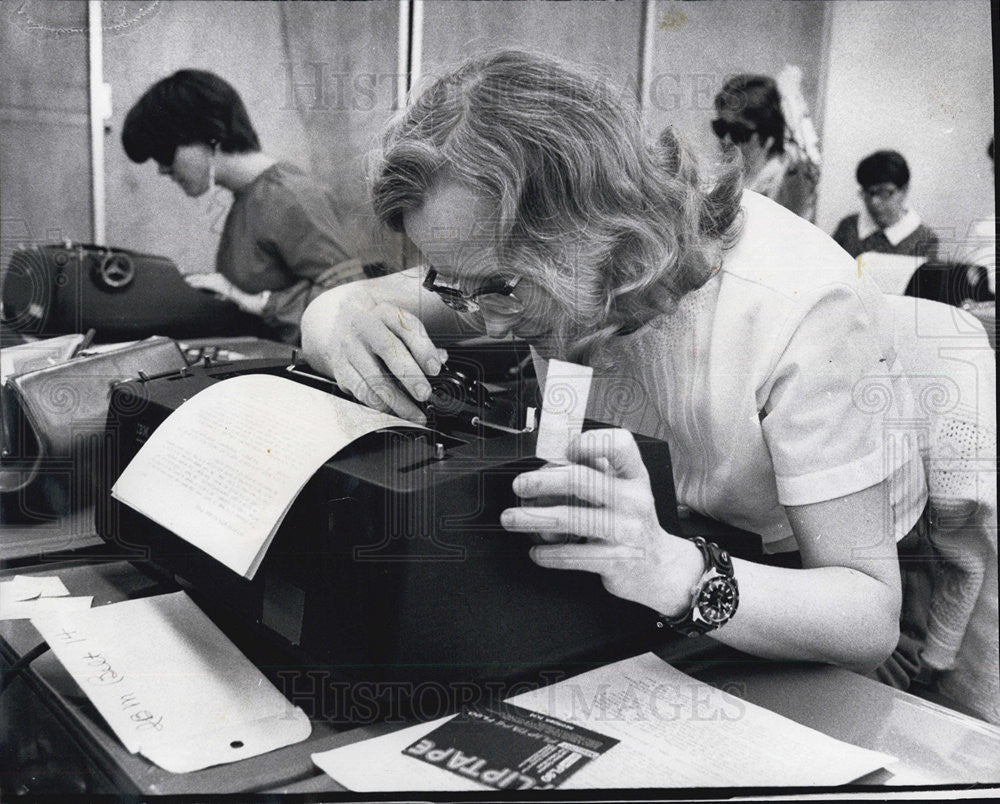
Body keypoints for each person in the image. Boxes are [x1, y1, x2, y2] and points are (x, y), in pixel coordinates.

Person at [302, 51, 928, 670]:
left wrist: (672, 567)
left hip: (803, 581)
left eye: (501, 286)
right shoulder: (501, 276)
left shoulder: (802, 304)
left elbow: (869, 619)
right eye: (450, 287)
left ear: (597, 229)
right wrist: (345, 322)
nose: (484, 323)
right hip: (651, 551)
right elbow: (338, 308)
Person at [122, 69, 369, 344]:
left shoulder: (288, 196)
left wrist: (255, 302)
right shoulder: (248, 195)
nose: (162, 170)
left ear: (210, 134)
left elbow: (347, 297)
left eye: (164, 153)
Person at [711, 73, 819, 222]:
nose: (726, 139)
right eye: (720, 128)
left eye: (738, 132)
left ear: (767, 135)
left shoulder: (790, 183)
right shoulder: (738, 179)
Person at [831, 150, 939, 260]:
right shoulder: (849, 227)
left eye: (884, 193)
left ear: (904, 190)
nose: (874, 202)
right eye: (869, 193)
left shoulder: (924, 239)